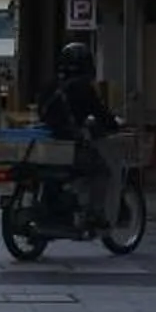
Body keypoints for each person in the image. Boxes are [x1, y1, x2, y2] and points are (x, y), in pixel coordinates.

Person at [36, 40, 121, 228]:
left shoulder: (50, 85)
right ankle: (95, 214)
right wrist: (113, 125)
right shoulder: (83, 87)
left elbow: (41, 112)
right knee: (101, 170)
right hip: (70, 147)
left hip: (48, 146)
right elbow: (102, 114)